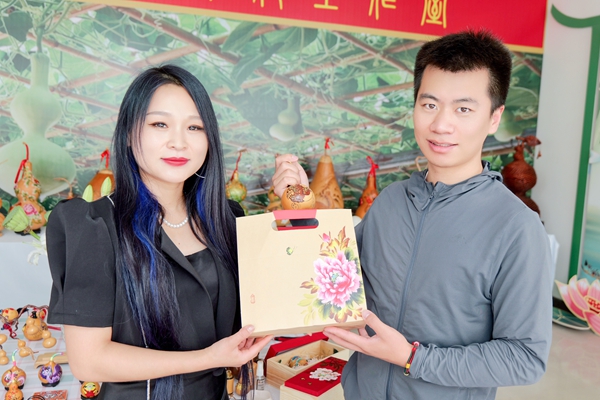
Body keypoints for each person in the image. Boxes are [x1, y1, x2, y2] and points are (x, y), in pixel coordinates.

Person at [272, 30, 553, 400]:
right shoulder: (390, 201)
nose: (441, 125)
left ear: (494, 117)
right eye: (429, 104)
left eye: (464, 109)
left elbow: (524, 358)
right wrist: (297, 205)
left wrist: (411, 358)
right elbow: (332, 279)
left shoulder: (516, 227)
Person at [46, 65, 272, 400]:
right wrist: (208, 358)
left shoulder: (225, 220)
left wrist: (296, 209)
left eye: (194, 127)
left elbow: (263, 310)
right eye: (159, 124)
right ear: (128, 133)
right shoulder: (94, 227)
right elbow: (89, 361)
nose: (179, 142)